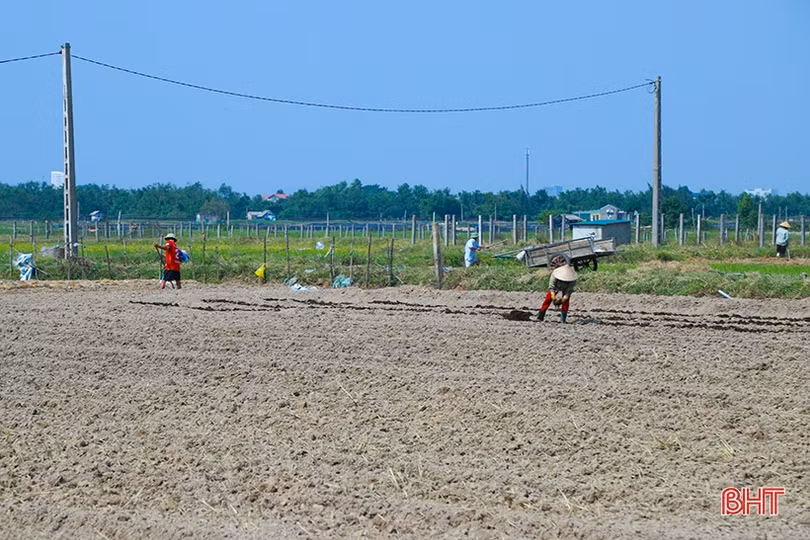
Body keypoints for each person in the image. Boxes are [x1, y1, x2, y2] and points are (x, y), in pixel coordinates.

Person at [538, 255, 578, 323]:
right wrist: (553, 296)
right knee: (547, 300)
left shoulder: (572, 278)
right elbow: (551, 286)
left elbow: (570, 289)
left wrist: (566, 296)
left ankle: (563, 319)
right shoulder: (555, 274)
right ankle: (540, 317)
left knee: (565, 302)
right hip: (555, 288)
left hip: (565, 289)